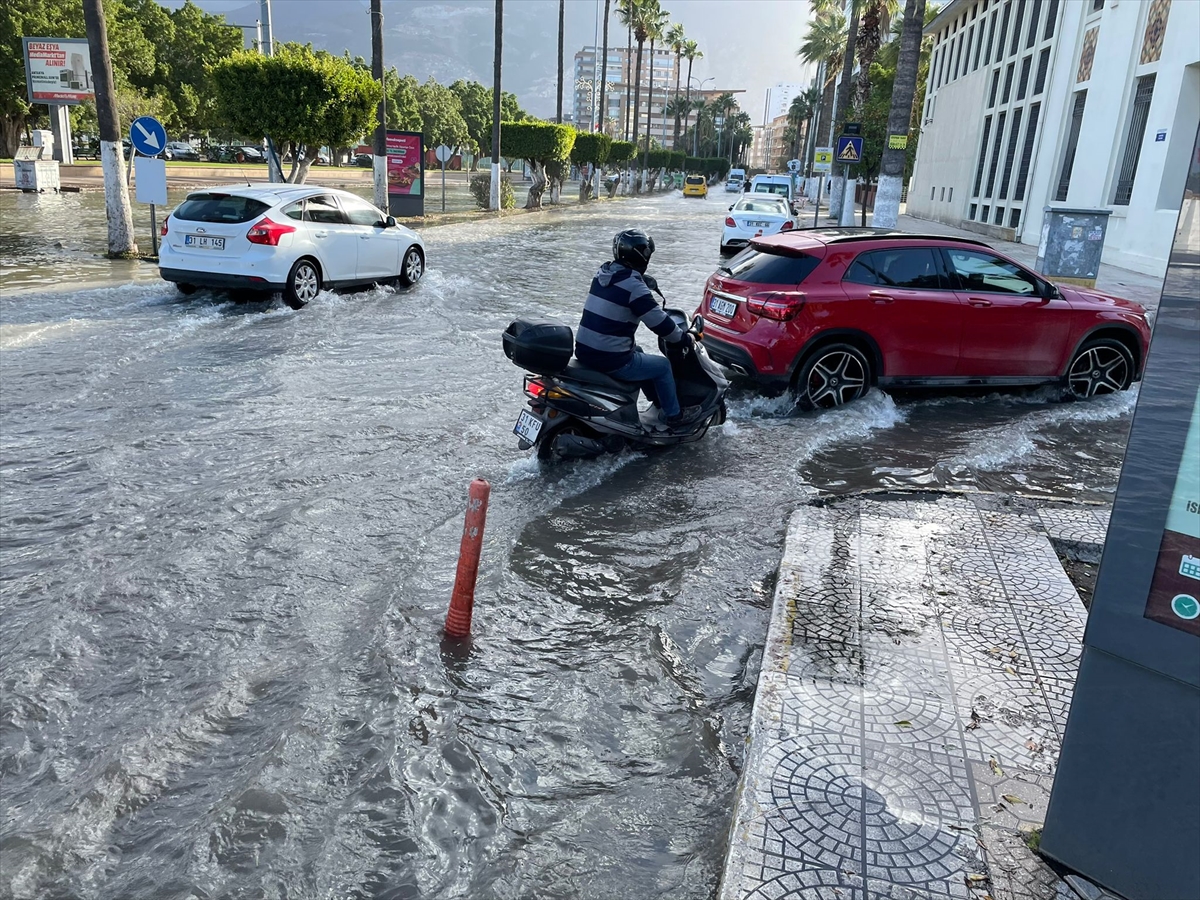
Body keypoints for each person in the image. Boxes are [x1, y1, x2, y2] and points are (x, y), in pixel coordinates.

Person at [575, 229, 699, 429]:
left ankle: (658, 401)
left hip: (585, 351)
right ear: (641, 256)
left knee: (638, 351)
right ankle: (674, 416)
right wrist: (684, 339)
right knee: (663, 366)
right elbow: (659, 323)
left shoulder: (602, 274)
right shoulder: (633, 286)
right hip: (610, 358)